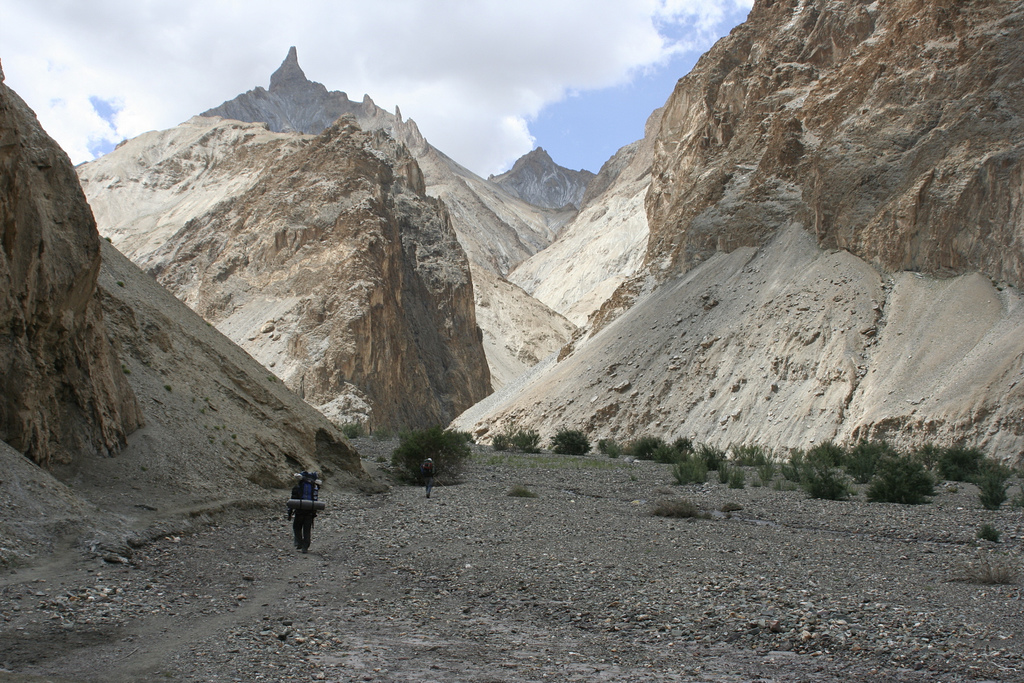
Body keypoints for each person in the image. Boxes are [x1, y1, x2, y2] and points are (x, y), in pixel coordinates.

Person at [287, 471, 320, 553]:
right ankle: (305, 547)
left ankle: (299, 543)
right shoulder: (314, 488)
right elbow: (315, 499)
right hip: (310, 512)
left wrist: (289, 513)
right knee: (307, 529)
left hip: (299, 511)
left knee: (296, 527)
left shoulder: (297, 487)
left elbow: (292, 500)